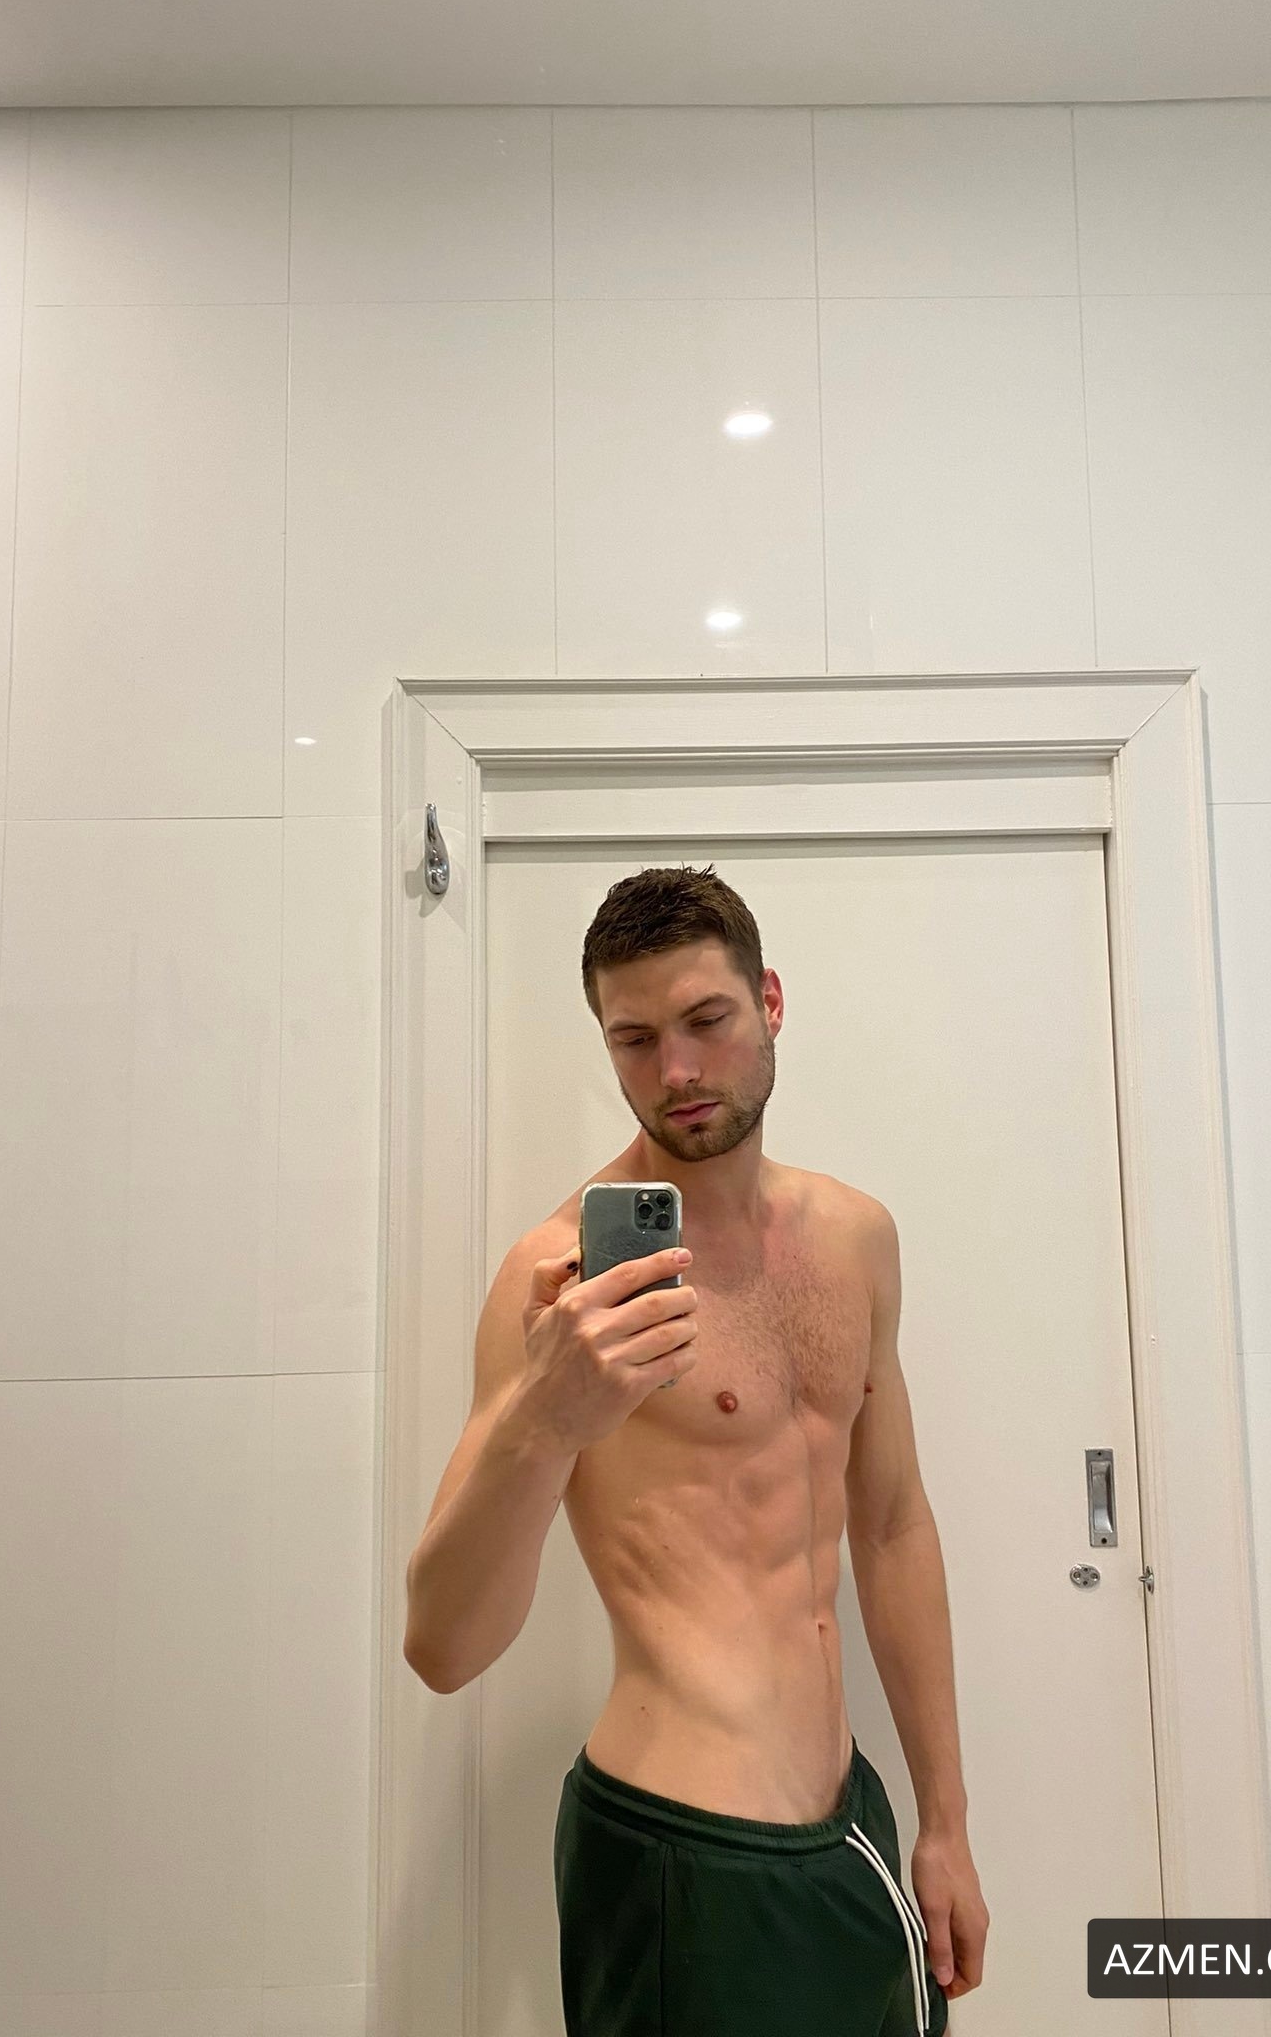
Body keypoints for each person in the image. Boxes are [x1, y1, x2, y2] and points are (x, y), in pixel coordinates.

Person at [404, 865, 989, 2034]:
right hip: (681, 1847)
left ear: (769, 1000)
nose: (674, 1068)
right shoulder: (560, 1280)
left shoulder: (857, 1237)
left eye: (705, 1019)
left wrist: (946, 1820)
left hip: (854, 1819)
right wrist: (548, 1414)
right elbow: (443, 1643)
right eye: (634, 1038)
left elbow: (891, 1525)